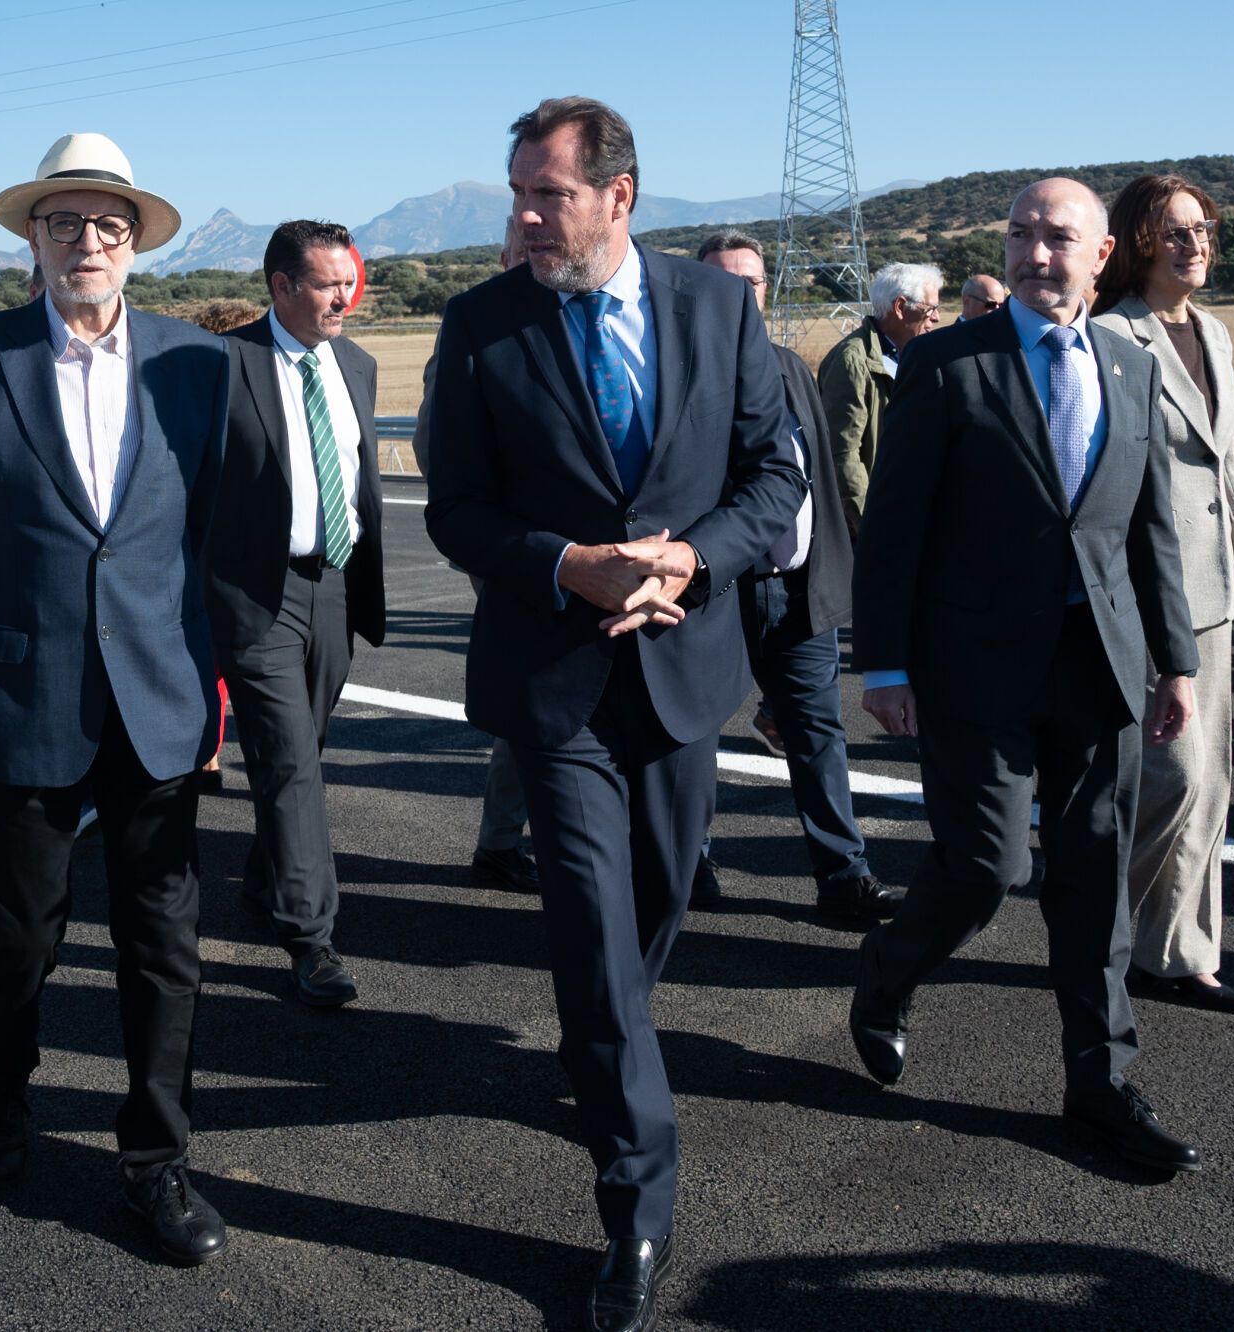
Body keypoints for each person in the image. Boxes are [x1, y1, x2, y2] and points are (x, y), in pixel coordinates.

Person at [426, 97, 803, 1332]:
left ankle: (600, 1045)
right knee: (590, 929)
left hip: (683, 669)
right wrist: (562, 563)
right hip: (556, 684)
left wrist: (690, 558)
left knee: (654, 906)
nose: (526, 218)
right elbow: (455, 508)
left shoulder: (716, 310)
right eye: (518, 195)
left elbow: (773, 477)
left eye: (549, 195)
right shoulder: (480, 324)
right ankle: (636, 1203)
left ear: (618, 197)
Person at [0, 133, 230, 1265]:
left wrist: (197, 676)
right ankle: (1, 1088)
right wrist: (19, 627)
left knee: (163, 943)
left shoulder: (198, 364)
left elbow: (209, 532)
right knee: (17, 937)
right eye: (64, 222)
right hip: (18, 689)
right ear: (32, 239)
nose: (86, 241)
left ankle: (155, 1158)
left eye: (108, 224)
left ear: (135, 243)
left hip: (157, 695)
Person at [848, 178, 1205, 1174]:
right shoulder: (944, 363)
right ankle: (886, 973)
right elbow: (893, 530)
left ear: (1102, 256)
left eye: (1057, 237)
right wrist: (883, 664)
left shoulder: (1130, 366)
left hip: (1100, 665)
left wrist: (1174, 660)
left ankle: (1099, 1086)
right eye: (1019, 234)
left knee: (1092, 878)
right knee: (984, 866)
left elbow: (1148, 532)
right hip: (973, 666)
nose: (1034, 254)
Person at [1091, 175, 1234, 1014]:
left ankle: (1182, 954)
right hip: (1140, 592)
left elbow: (1225, 461)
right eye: (1175, 232)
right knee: (1169, 778)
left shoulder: (1215, 331)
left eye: (1202, 228)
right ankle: (1106, 936)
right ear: (1138, 242)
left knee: (1209, 784)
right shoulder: (1109, 335)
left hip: (1211, 591)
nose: (1194, 244)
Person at [207, 220, 385, 1008]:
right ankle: (312, 939)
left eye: (348, 283)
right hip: (256, 595)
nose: (344, 298)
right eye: (326, 285)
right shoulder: (223, 364)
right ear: (281, 286)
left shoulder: (358, 365)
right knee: (288, 762)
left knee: (302, 749)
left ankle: (264, 878)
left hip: (334, 588)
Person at [691, 229, 893, 922]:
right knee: (695, 734)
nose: (738, 294)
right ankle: (690, 863)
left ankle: (844, 877)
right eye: (722, 281)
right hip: (713, 590)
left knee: (816, 734)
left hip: (798, 589)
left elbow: (821, 478)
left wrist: (837, 569)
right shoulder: (675, 373)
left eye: (749, 282)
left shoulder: (790, 368)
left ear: (764, 291)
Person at [413, 218, 537, 895]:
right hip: (514, 557)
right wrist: (486, 539)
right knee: (530, 704)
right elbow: (436, 447)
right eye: (524, 249)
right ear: (504, 256)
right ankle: (502, 841)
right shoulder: (476, 326)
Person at [818, 261, 943, 533]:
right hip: (876, 524)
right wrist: (872, 528)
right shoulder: (852, 361)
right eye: (930, 309)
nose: (936, 318)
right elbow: (843, 455)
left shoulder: (917, 354)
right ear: (900, 307)